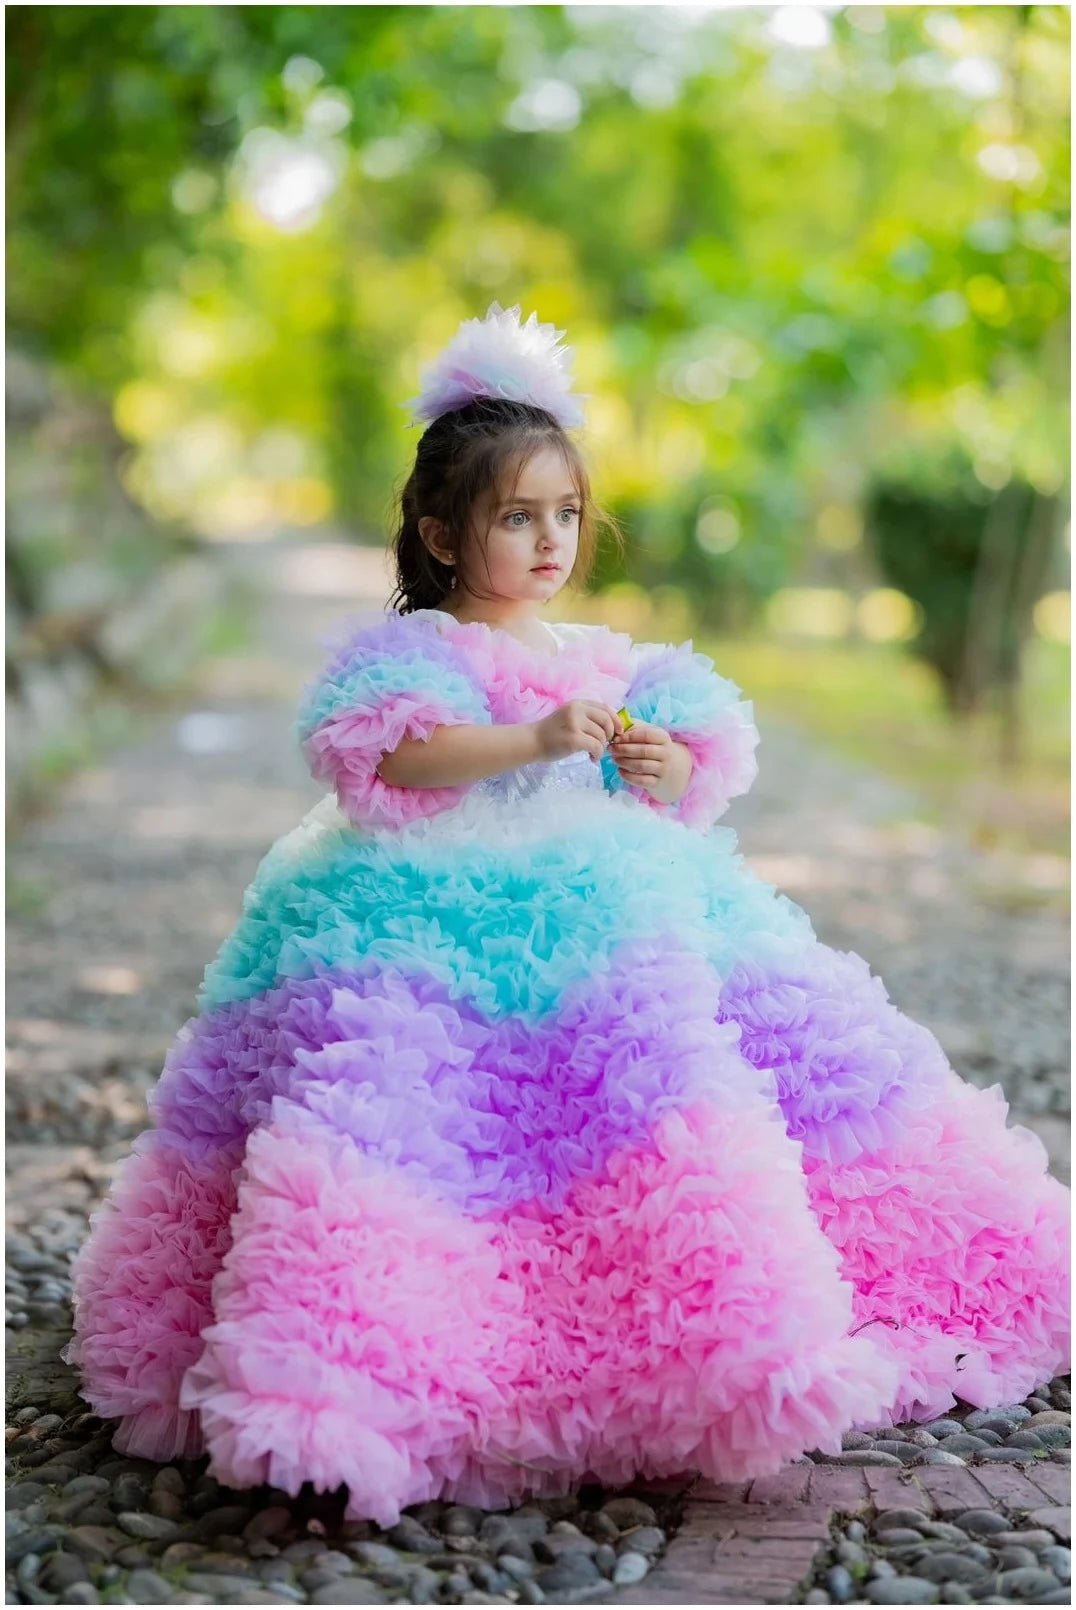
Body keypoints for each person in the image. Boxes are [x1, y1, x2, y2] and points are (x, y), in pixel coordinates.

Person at [64, 302, 1069, 1529]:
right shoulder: (422, 653)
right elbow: (396, 759)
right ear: (442, 533)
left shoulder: (599, 651)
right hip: (430, 912)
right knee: (424, 1106)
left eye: (566, 515)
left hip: (611, 908)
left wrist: (650, 766)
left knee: (701, 1065)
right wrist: (532, 737)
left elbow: (682, 768)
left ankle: (715, 1319)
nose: (549, 541)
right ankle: (426, 1340)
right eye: (516, 517)